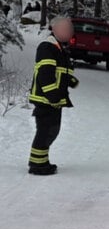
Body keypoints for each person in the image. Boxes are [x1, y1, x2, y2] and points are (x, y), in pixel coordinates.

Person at [27, 17, 78, 175]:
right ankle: (37, 165)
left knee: (51, 130)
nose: (69, 32)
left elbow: (60, 71)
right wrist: (52, 96)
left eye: (70, 29)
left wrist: (70, 80)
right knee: (46, 130)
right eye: (65, 29)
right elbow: (45, 74)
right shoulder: (47, 47)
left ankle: (41, 161)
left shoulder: (60, 48)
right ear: (54, 29)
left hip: (53, 99)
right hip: (46, 99)